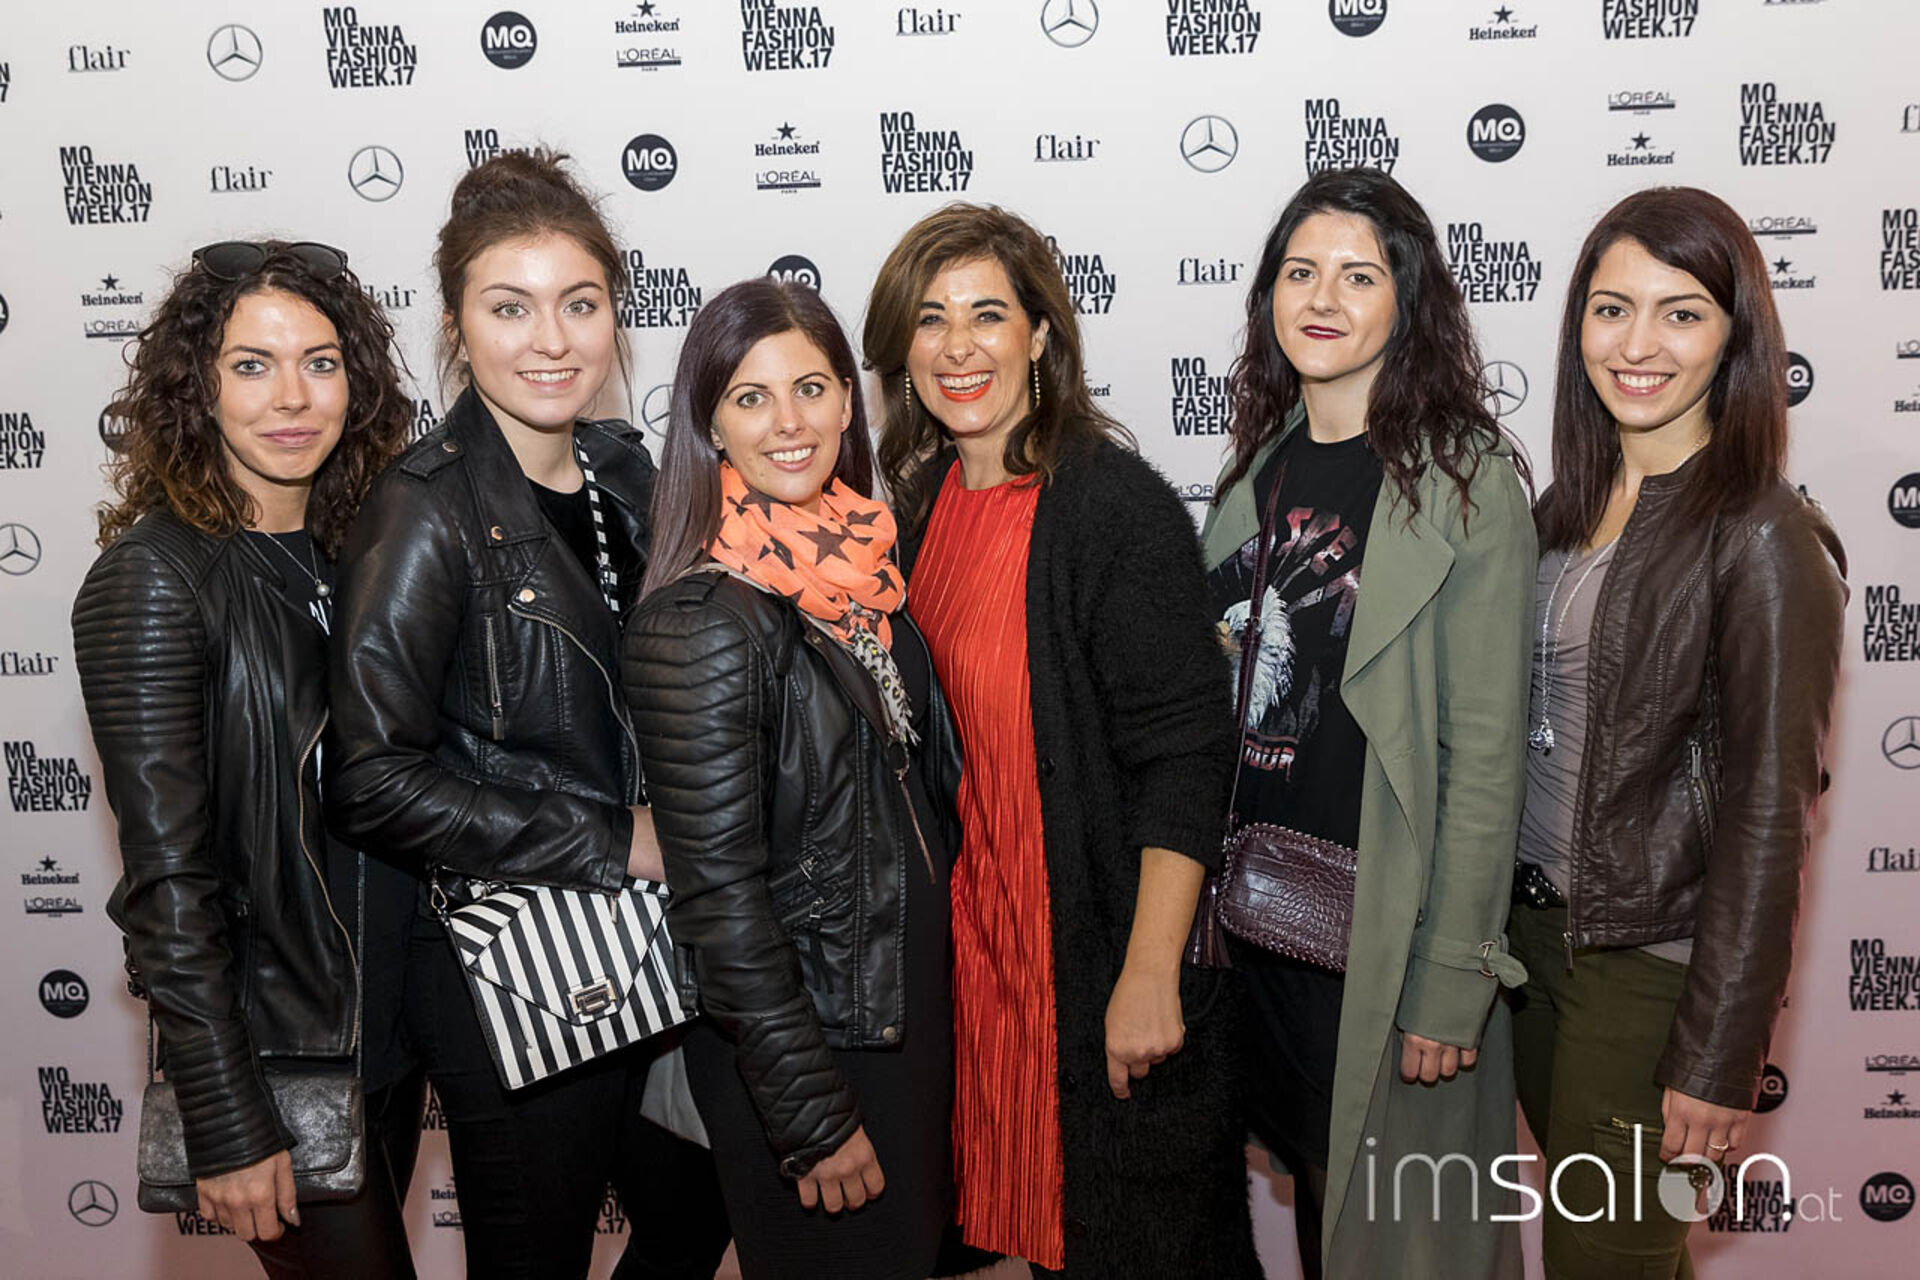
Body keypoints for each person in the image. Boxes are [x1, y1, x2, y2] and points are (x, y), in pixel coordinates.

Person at [324, 150, 729, 1279]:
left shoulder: (627, 472)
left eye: (579, 303)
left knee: (699, 1208)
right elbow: (370, 778)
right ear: (457, 325)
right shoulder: (422, 509)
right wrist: (615, 837)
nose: (551, 339)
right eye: (510, 307)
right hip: (508, 960)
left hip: (649, 936)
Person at [862, 203, 1259, 1279]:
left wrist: (1149, 973)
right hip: (983, 975)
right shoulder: (920, 510)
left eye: (987, 314)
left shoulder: (1109, 507)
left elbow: (1185, 754)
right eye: (931, 319)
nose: (958, 346)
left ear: (1040, 333)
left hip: (1095, 970)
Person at [1200, 167, 1537, 1279]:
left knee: (1404, 1249)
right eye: (1300, 271)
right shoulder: (1254, 472)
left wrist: (1452, 975)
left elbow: (1485, 756)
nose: (1322, 297)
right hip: (1258, 933)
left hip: (1387, 948)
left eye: (1358, 275)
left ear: (1409, 299)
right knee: (1319, 1215)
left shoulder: (1465, 481)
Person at [1510, 186, 1846, 1279]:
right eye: (1612, 309)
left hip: (1649, 973)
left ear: (1735, 337)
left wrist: (1718, 1053)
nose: (1637, 344)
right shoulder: (1563, 508)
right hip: (1534, 952)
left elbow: (1768, 818)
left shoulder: (1764, 536)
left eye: (1682, 312)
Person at [72, 240, 418, 1275]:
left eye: (321, 362)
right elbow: (168, 880)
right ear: (199, 387)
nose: (292, 397)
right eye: (253, 365)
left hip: (387, 1041)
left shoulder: (358, 556)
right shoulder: (155, 578)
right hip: (280, 1061)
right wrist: (224, 1110)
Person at [621, 278, 962, 1280]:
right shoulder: (703, 619)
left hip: (899, 1014)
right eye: (751, 396)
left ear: (850, 400)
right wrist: (811, 1113)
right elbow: (718, 902)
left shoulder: (868, 572)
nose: (789, 422)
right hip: (815, 1049)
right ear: (710, 425)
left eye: (811, 387)